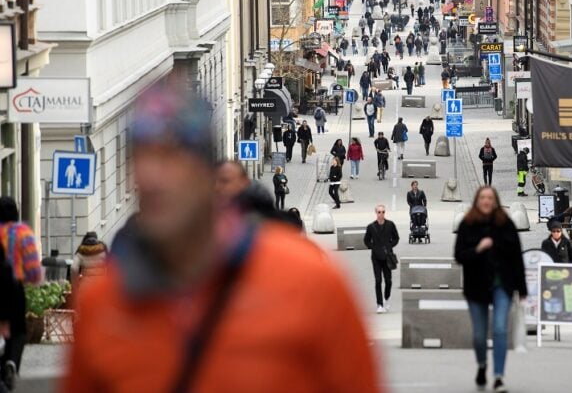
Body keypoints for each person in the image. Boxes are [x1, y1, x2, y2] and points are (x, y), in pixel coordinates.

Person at [64, 84, 379, 392]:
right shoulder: (105, 305)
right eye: (140, 159)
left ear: (207, 172)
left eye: (170, 157)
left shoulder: (309, 283)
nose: (150, 176)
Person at [455, 186, 526, 393]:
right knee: (479, 335)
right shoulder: (468, 224)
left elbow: (517, 258)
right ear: (478, 201)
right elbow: (459, 255)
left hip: (501, 285)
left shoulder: (506, 224)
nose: (486, 201)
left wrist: (522, 289)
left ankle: (498, 376)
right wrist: (478, 249)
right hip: (476, 286)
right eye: (483, 197)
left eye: (490, 198)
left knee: (500, 329)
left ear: (495, 201)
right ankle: (482, 364)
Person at [0, 197, 42, 389]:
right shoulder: (23, 233)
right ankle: (11, 362)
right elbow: (33, 268)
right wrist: (33, 278)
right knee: (17, 331)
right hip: (14, 288)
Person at [363, 205, 399, 314]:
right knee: (378, 280)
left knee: (388, 281)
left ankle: (386, 298)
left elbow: (396, 238)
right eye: (379, 212)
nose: (381, 214)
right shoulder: (371, 227)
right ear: (376, 213)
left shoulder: (390, 225)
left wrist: (389, 246)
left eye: (383, 212)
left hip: (387, 257)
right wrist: (374, 247)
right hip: (376, 258)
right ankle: (379, 304)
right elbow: (366, 240)